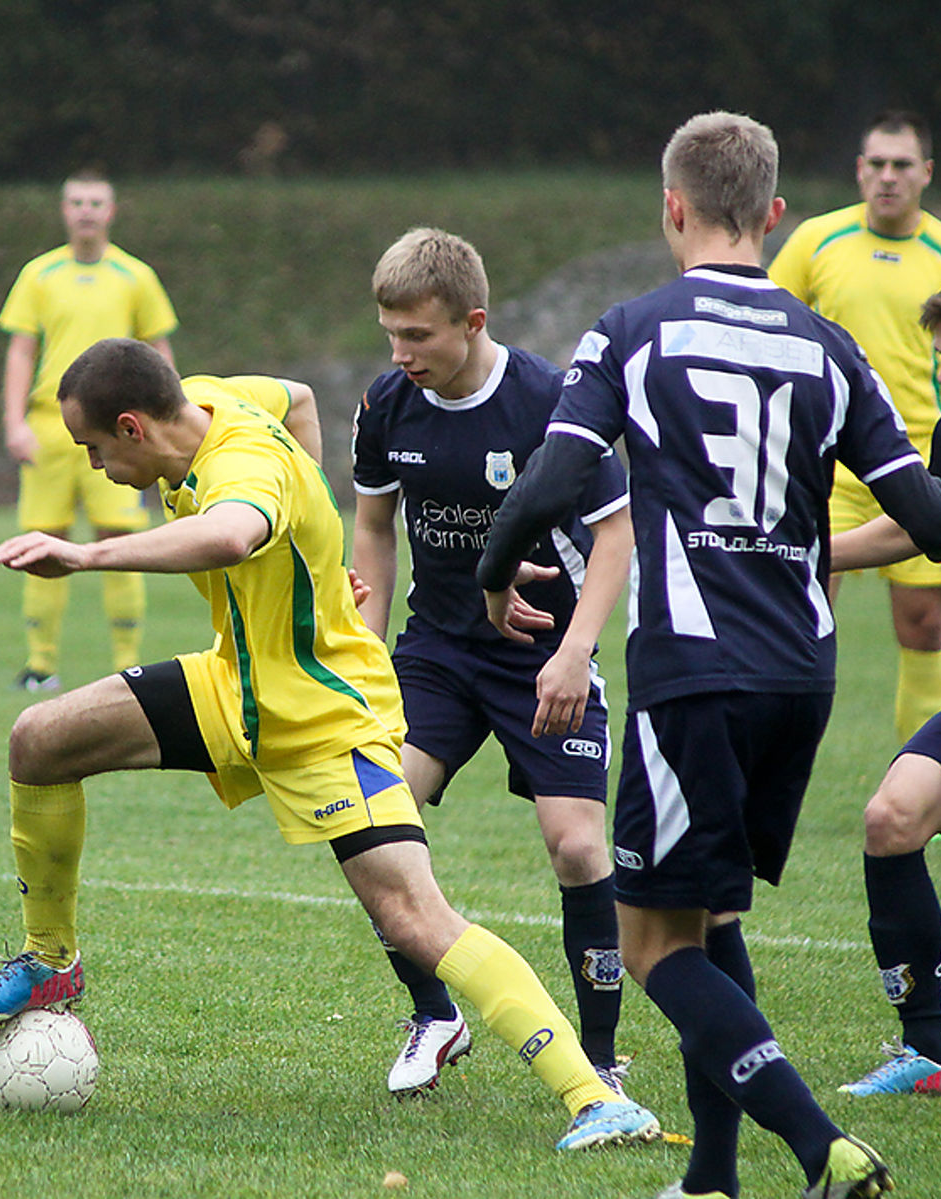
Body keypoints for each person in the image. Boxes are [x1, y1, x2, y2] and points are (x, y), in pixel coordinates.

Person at [0, 336, 660, 1151]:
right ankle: (50, 959)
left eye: (95, 449)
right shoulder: (206, 391)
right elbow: (300, 397)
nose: (94, 467)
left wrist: (85, 552)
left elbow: (229, 536)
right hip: (235, 681)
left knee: (415, 916)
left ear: (134, 427)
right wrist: (320, 554)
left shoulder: (238, 468)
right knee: (38, 739)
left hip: (320, 712)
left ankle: (593, 1095)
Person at [476, 112, 941, 1199]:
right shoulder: (827, 343)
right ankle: (711, 1175)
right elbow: (929, 519)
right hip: (801, 672)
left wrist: (492, 568)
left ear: (671, 206)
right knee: (712, 914)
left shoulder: (631, 329)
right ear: (775, 215)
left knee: (652, 941)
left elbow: (552, 480)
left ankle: (820, 1146)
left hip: (691, 671)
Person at [351, 227, 636, 1097]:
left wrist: (574, 651)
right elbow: (371, 524)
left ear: (471, 321)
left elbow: (616, 531)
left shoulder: (551, 402)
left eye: (418, 336)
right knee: (368, 822)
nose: (401, 355)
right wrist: (363, 648)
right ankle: (435, 1015)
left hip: (544, 654)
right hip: (436, 651)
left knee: (578, 848)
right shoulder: (387, 403)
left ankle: (599, 1057)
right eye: (389, 334)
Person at [829, 264, 941, 1098]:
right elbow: (925, 524)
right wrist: (806, 554)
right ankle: (928, 1051)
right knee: (889, 817)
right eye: (939, 356)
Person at [769, 110, 941, 742]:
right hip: (826, 466)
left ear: (926, 174)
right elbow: (772, 324)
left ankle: (922, 769)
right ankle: (777, 761)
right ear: (859, 170)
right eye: (877, 164)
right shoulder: (816, 240)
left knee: (921, 625)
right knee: (799, 607)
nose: (888, 177)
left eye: (902, 165)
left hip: (920, 461)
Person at [0, 168, 180, 691]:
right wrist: (14, 422)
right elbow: (21, 351)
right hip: (49, 431)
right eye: (76, 201)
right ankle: (40, 665)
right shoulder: (39, 274)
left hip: (122, 432)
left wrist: (167, 420)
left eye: (95, 202)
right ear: (64, 211)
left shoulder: (135, 276)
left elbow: (158, 351)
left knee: (120, 539)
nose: (85, 211)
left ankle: (127, 663)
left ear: (111, 211)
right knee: (42, 541)